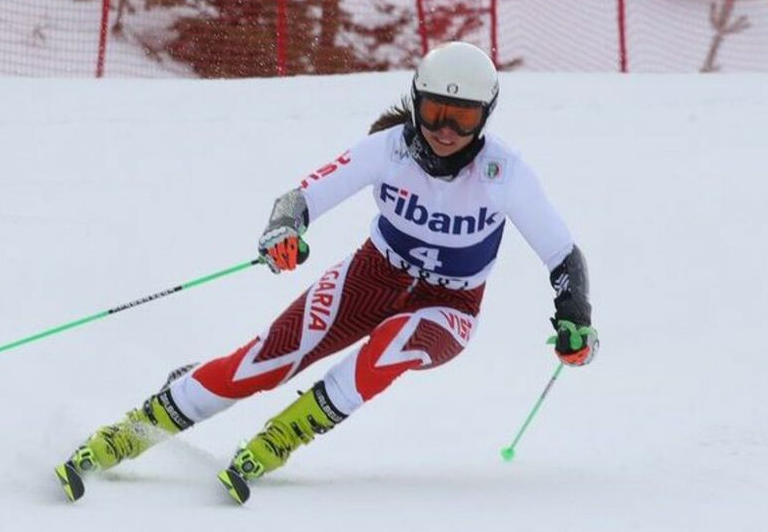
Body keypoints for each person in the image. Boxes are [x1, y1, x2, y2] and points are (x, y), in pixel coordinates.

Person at [55, 41, 599, 504]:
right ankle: (127, 433)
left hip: (449, 308)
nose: (445, 130)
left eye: (463, 118)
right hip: (371, 277)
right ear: (415, 103)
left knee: (390, 343)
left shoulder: (503, 173)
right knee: (265, 360)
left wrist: (575, 316)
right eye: (434, 111)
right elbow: (301, 198)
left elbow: (562, 254)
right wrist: (285, 231)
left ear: (486, 117)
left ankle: (280, 438)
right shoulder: (387, 150)